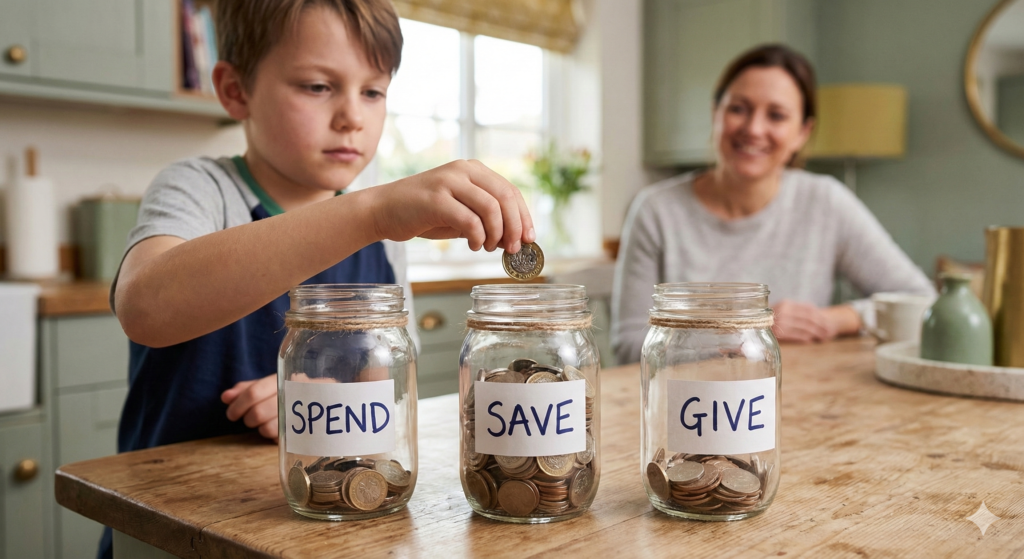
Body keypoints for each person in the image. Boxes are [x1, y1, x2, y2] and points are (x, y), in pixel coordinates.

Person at [98, 1, 534, 556]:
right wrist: (371, 212)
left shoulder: (383, 236)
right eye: (316, 86)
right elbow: (145, 307)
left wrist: (323, 401)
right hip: (174, 529)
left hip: (326, 525)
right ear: (235, 91)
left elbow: (393, 384)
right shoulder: (200, 187)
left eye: (373, 92)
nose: (353, 115)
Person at [611, 44, 934, 365]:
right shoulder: (655, 210)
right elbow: (628, 345)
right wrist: (750, 333)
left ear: (802, 133)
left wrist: (836, 319)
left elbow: (924, 301)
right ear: (715, 113)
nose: (753, 129)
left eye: (776, 115)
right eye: (739, 108)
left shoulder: (825, 202)